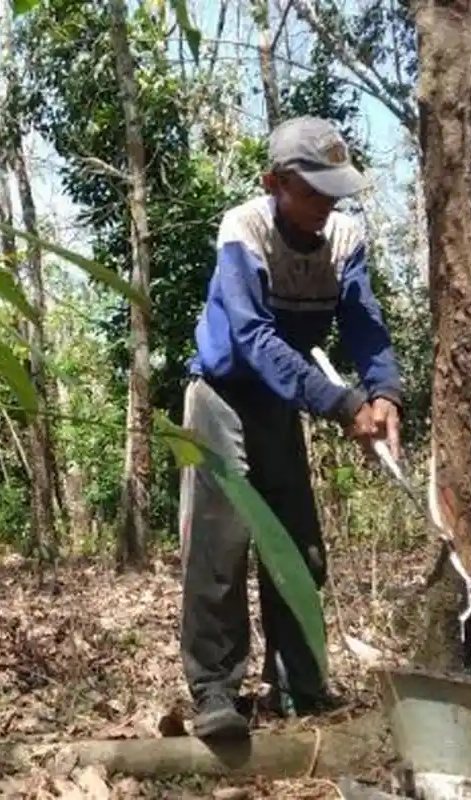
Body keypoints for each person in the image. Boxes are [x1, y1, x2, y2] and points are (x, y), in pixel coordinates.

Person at [178, 115, 403, 739]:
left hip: (282, 401)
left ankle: (298, 685)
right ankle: (215, 692)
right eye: (313, 191)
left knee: (299, 546)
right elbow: (252, 338)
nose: (327, 204)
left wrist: (384, 391)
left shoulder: (345, 237)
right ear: (274, 183)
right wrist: (339, 402)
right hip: (222, 395)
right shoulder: (244, 229)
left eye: (335, 191)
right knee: (220, 547)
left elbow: (364, 322)